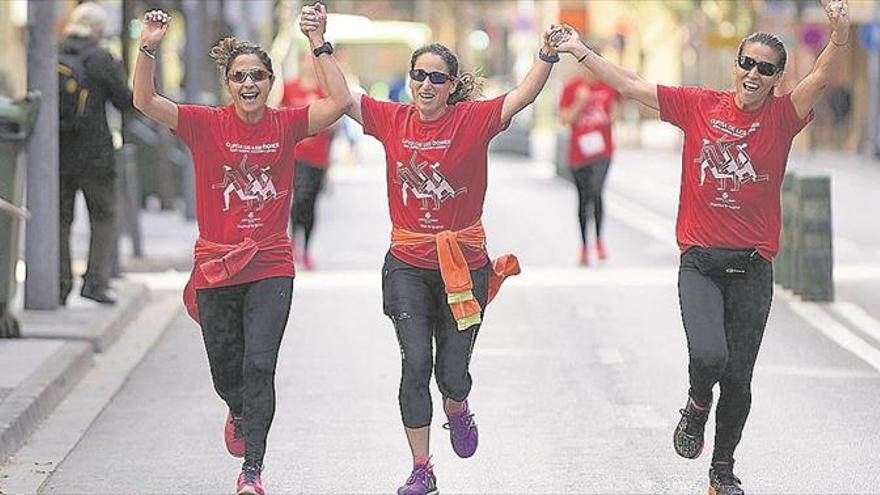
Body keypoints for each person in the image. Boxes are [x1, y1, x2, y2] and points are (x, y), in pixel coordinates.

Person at [553, 1, 849, 493]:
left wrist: (838, 37)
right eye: (746, 63)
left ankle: (722, 471)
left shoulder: (783, 116)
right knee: (710, 357)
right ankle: (695, 404)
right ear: (736, 66)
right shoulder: (699, 105)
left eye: (765, 69)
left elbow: (818, 79)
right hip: (701, 264)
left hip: (753, 267)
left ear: (777, 78)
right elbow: (628, 84)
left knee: (739, 379)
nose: (753, 74)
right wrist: (580, 51)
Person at [302, 18, 563, 494]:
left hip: (464, 267)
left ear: (451, 86)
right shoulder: (391, 119)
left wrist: (546, 55)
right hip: (407, 263)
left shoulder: (472, 120)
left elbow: (522, 96)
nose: (425, 84)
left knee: (451, 374)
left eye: (437, 78)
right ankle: (422, 467)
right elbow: (342, 99)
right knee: (415, 364)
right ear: (411, 80)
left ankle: (458, 405)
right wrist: (319, 42)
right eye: (419, 75)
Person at [133, 4, 351, 494]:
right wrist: (147, 44)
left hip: (271, 262)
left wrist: (318, 41)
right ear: (228, 84)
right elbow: (145, 101)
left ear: (270, 81)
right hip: (216, 266)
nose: (248, 83)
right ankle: (235, 408)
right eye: (238, 76)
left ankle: (252, 469)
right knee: (226, 372)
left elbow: (338, 101)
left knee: (260, 365)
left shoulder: (287, 124)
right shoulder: (203, 123)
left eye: (257, 75)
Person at [58, 1, 133, 305]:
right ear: (99, 30)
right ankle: (95, 283)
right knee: (103, 218)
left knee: (59, 221)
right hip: (96, 155)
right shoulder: (102, 58)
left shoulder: (52, 53)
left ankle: (58, 284)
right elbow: (125, 102)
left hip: (57, 155)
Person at [559, 61, 619, 265]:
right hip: (579, 154)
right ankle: (585, 246)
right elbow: (565, 119)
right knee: (584, 198)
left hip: (602, 151)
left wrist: (612, 116)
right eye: (584, 66)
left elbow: (614, 112)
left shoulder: (606, 87)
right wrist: (580, 102)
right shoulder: (572, 88)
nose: (588, 71)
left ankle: (600, 240)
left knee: (597, 191)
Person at [281, 52, 333, 270]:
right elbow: (280, 116)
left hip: (318, 157)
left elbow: (333, 123)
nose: (310, 67)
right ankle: (294, 242)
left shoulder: (324, 92)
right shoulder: (290, 87)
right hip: (296, 155)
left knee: (311, 203)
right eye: (306, 62)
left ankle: (307, 250)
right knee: (299, 197)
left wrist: (318, 117)